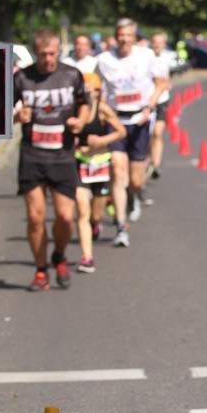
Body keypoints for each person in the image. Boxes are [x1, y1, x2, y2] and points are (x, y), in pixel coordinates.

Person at [13, 28, 90, 291]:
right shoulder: (22, 77)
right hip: (33, 155)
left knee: (65, 217)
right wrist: (17, 116)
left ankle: (59, 255)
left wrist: (80, 120)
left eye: (52, 53)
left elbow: (85, 103)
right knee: (35, 218)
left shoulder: (71, 75)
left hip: (63, 155)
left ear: (59, 51)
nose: (48, 59)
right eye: (43, 54)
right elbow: (5, 111)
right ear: (34, 52)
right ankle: (40, 270)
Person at [96, 18, 167, 246]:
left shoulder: (145, 56)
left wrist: (149, 106)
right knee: (118, 173)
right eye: (120, 35)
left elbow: (161, 83)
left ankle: (133, 196)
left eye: (128, 35)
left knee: (135, 180)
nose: (124, 39)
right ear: (115, 36)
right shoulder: (104, 60)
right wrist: (103, 111)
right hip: (116, 120)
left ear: (134, 36)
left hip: (139, 119)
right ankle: (120, 225)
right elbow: (98, 90)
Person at [74, 73, 127, 272]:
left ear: (98, 92)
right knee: (82, 210)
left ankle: (96, 224)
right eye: (84, 91)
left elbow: (121, 131)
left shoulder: (103, 110)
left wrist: (102, 141)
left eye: (91, 90)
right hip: (79, 161)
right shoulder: (75, 110)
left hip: (100, 163)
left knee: (96, 212)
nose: (88, 94)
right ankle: (87, 257)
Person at [149, 32, 172, 180]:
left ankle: (156, 165)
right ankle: (148, 160)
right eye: (155, 42)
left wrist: (165, 83)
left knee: (158, 132)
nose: (157, 45)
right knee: (148, 134)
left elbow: (166, 78)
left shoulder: (167, 57)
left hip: (162, 99)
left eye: (160, 42)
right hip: (147, 100)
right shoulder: (146, 58)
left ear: (164, 44)